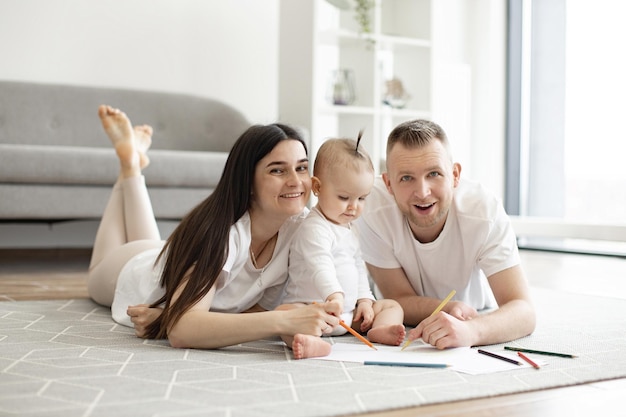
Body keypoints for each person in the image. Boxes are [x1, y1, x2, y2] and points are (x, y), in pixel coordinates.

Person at [87, 105, 340, 349]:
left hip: (167, 258)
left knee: (163, 255)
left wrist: (169, 317)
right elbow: (182, 332)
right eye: (278, 170)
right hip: (131, 270)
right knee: (95, 270)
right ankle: (128, 169)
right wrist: (281, 320)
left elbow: (249, 312)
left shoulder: (301, 228)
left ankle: (132, 165)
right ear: (248, 181)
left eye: (302, 168)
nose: (296, 181)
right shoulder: (221, 234)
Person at [355, 119, 536, 349]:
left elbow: (524, 309)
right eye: (407, 178)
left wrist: (472, 332)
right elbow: (398, 297)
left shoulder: (483, 212)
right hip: (399, 320)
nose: (422, 192)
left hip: (472, 314)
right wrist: (447, 308)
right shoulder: (371, 207)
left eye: (434, 174)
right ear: (388, 184)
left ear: (455, 175)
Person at [278, 137, 405, 359]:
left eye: (362, 198)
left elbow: (358, 266)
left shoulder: (349, 228)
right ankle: (311, 343)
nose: (354, 207)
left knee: (392, 306)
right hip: (313, 310)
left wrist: (365, 300)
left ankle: (379, 330)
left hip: (347, 315)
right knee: (285, 315)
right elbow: (320, 265)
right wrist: (334, 296)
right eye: (344, 197)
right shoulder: (314, 227)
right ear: (317, 187)